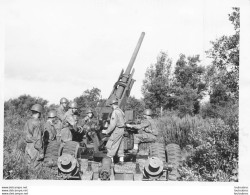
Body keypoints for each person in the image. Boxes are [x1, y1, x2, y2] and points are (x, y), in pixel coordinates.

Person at [102, 98, 125, 165]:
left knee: (110, 144)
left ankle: (110, 161)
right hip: (122, 130)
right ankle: (121, 160)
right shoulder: (121, 111)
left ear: (112, 105)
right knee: (120, 144)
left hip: (117, 130)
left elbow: (112, 124)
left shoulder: (115, 112)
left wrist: (106, 131)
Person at [24, 104, 44, 168]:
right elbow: (38, 139)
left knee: (27, 167)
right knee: (35, 168)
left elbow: (25, 135)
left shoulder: (28, 121)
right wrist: (41, 151)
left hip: (28, 147)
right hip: (35, 148)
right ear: (39, 113)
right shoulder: (37, 123)